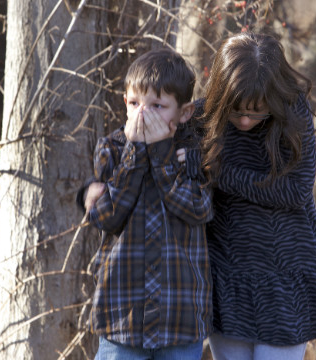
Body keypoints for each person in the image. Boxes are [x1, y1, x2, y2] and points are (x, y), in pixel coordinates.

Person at [192, 32, 316, 359]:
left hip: (286, 276)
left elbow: (294, 190)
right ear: (222, 94)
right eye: (236, 111)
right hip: (228, 277)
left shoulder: (293, 113)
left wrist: (221, 174)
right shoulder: (201, 118)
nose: (245, 120)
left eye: (257, 111)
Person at [76, 48, 213, 360]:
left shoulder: (193, 154)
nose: (143, 114)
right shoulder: (111, 149)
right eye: (135, 104)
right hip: (122, 317)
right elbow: (106, 216)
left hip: (179, 319)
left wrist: (164, 156)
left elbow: (199, 209)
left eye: (157, 106)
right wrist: (135, 155)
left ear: (185, 112)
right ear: (125, 103)